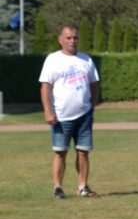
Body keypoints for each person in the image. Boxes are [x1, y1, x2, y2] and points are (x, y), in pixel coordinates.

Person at [39, 24, 100, 199]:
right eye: (68, 37)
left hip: (84, 115)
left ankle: (82, 187)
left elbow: (94, 85)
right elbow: (45, 87)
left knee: (83, 152)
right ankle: (57, 188)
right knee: (60, 152)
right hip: (61, 116)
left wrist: (92, 106)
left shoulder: (86, 59)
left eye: (75, 37)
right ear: (60, 40)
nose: (72, 41)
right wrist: (48, 111)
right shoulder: (52, 59)